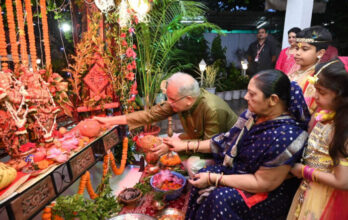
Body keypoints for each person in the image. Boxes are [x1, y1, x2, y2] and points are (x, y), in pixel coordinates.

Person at [164, 70, 310, 220]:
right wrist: (185, 146)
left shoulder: (286, 136)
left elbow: (263, 183)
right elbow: (223, 141)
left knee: (219, 198)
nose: (246, 97)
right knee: (202, 174)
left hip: (266, 193)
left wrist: (214, 179)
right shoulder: (252, 116)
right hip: (241, 171)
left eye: (252, 94)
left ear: (273, 99)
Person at [95, 72, 237, 159]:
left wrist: (172, 146)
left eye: (172, 99)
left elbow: (210, 145)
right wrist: (109, 121)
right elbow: (148, 115)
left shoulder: (212, 109)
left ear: (188, 99)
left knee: (193, 165)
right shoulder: (181, 101)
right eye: (167, 97)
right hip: (199, 139)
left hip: (225, 150)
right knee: (170, 141)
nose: (168, 103)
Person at [287, 59, 348, 220]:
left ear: (343, 95)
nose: (315, 96)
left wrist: (303, 171)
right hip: (310, 189)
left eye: (321, 92)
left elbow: (343, 181)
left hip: (325, 197)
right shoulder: (328, 117)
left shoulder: (340, 130)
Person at [288, 26, 332, 114]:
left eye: (304, 49)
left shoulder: (318, 79)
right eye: (297, 48)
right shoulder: (293, 73)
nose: (297, 53)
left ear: (320, 53)